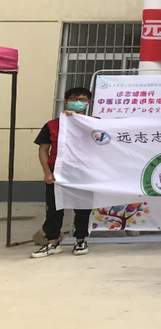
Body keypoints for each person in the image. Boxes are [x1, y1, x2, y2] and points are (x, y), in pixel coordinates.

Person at [31, 87, 94, 258]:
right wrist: (47, 172)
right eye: (74, 99)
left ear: (88, 103)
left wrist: (78, 120)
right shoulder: (52, 125)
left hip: (83, 172)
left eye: (83, 99)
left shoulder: (94, 123)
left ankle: (80, 241)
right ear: (66, 101)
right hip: (57, 173)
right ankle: (52, 242)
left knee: (83, 207)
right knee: (54, 208)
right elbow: (43, 150)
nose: (78, 102)